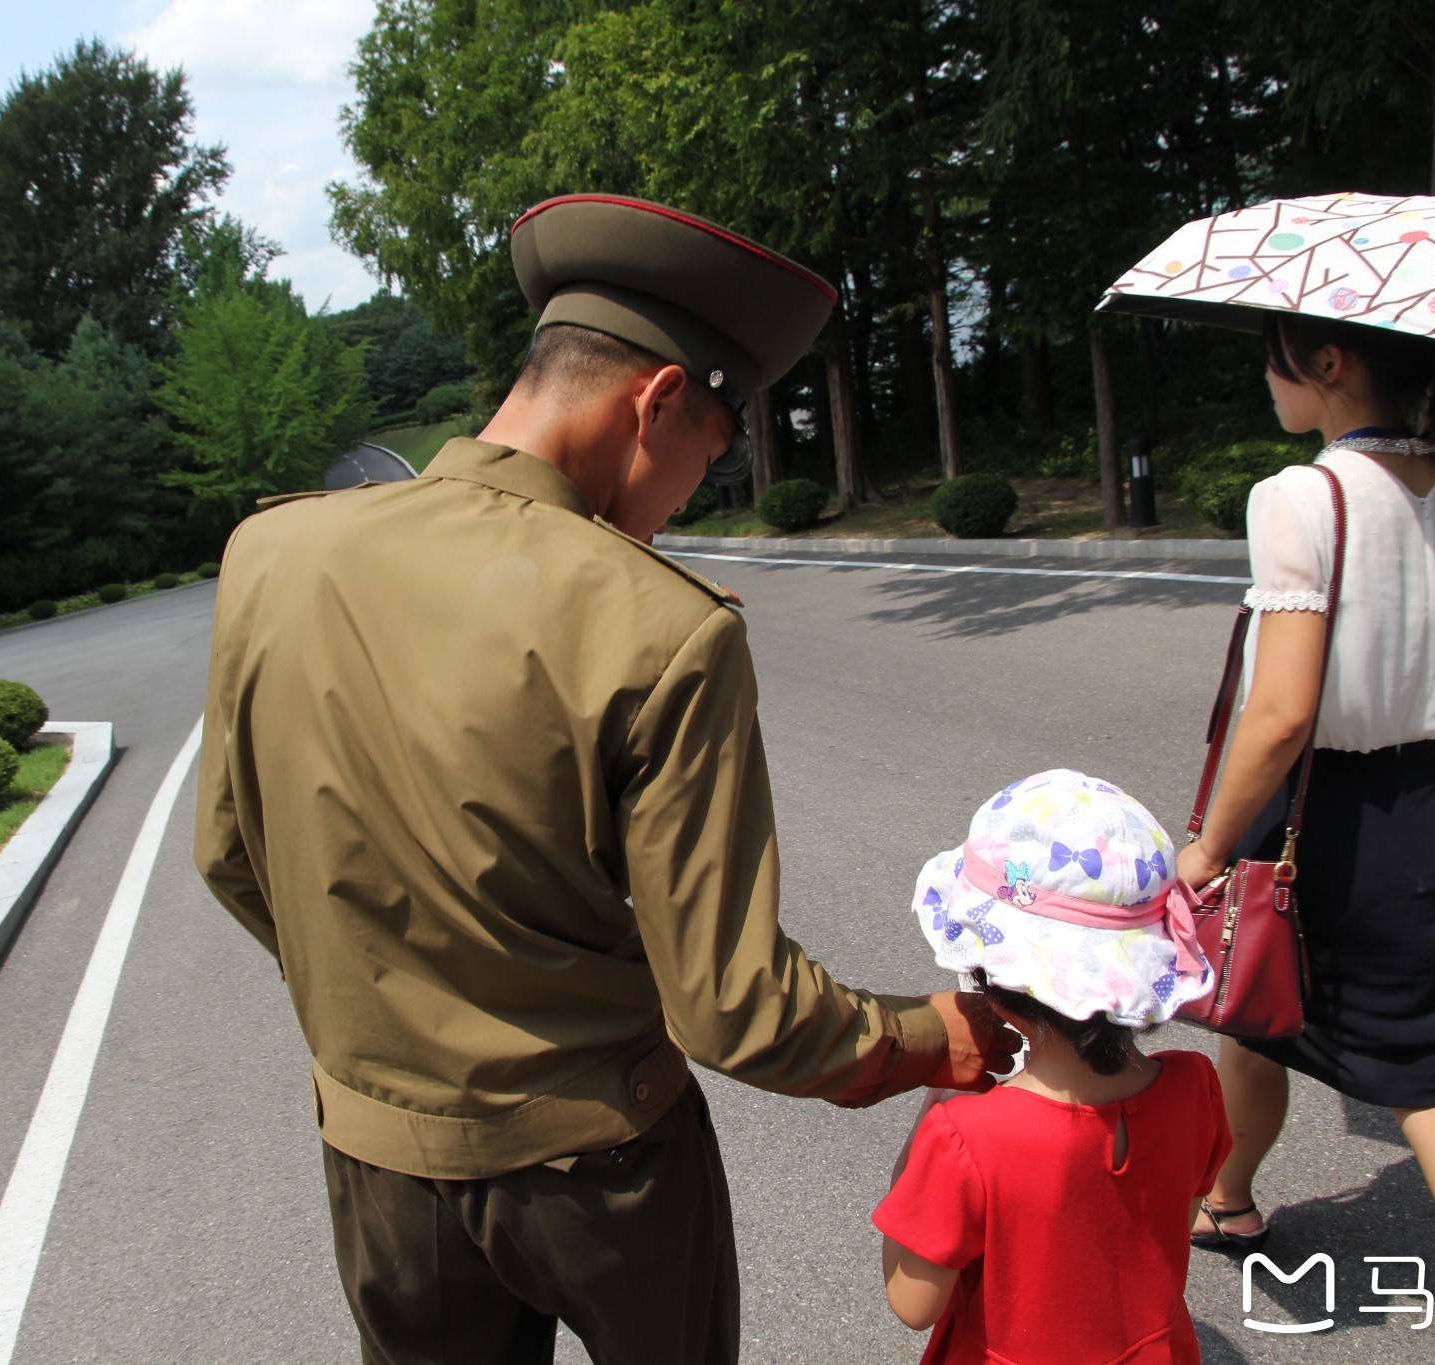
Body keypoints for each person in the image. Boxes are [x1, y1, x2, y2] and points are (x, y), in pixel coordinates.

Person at [194, 194, 1017, 1365]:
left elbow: (229, 856)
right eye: (706, 460)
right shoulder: (661, 626)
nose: (686, 499)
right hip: (606, 1169)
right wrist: (929, 1037)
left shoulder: (269, 551)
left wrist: (386, 997)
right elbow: (734, 1010)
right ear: (660, 401)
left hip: (378, 1163)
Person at [1175, 313, 1435, 1364]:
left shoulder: (1301, 496)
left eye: (1274, 357)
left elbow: (1280, 714)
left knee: (1270, 1007)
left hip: (1313, 812)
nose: (1265, 378)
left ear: (1328, 364)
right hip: (1425, 808)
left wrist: (1203, 853)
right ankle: (1228, 1200)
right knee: (1287, 1033)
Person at [876, 769, 1231, 1365]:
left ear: (992, 981)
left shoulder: (968, 1137)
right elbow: (1169, 1222)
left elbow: (913, 1303)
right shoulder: (1197, 1086)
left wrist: (928, 1126)